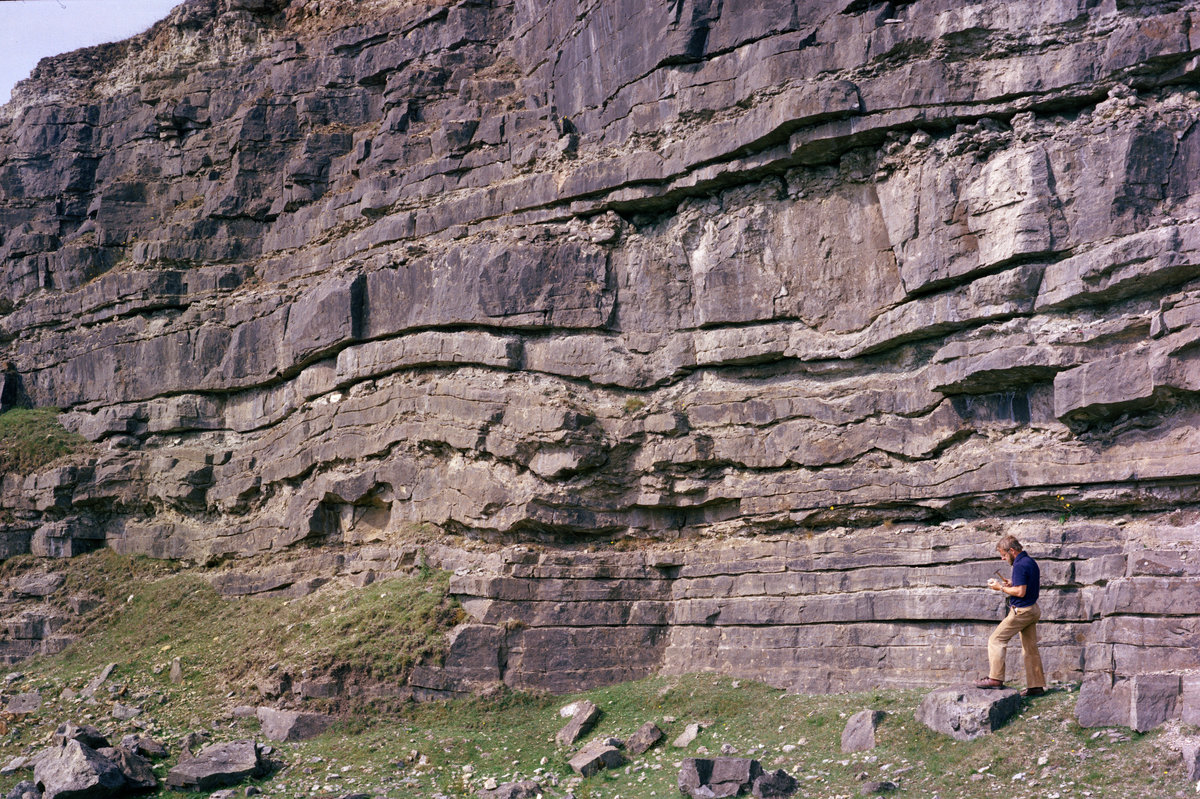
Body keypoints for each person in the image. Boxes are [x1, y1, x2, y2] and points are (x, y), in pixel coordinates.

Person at [974, 535, 1046, 697]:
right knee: (1030, 648)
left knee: (996, 639)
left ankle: (995, 679)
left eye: (1004, 555)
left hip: (1022, 611)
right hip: (1033, 609)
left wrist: (1000, 588)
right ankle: (1036, 686)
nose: (1003, 558)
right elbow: (1023, 585)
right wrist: (1011, 583)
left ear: (1012, 551)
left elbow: (1021, 592)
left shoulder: (1020, 565)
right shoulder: (1029, 561)